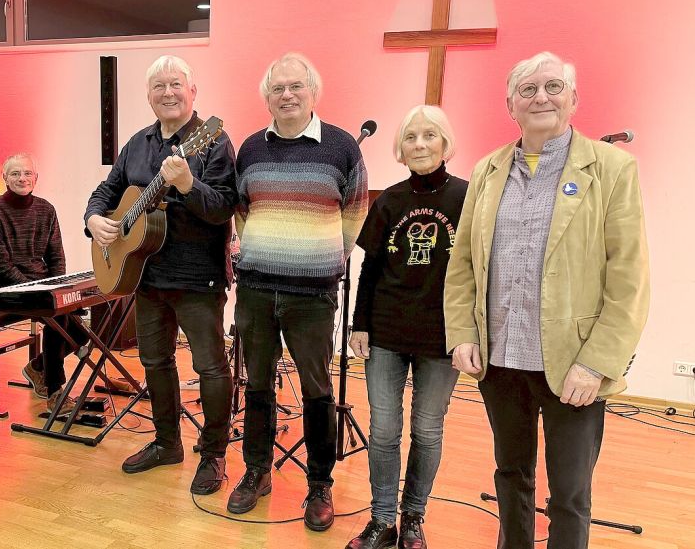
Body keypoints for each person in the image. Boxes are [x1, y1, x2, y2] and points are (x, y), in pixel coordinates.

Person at [444, 51, 650, 549]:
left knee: (569, 495)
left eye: (554, 87)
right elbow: (463, 266)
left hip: (573, 365)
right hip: (501, 359)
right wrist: (463, 333)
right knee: (511, 477)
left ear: (574, 99)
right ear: (510, 104)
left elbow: (629, 278)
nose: (541, 97)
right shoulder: (488, 170)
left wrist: (598, 363)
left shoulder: (612, 169)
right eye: (528, 89)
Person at [84, 55, 237, 495]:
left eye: (176, 85)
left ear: (193, 92)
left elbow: (223, 207)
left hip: (197, 277)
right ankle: (167, 443)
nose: (167, 93)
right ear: (149, 95)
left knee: (210, 366)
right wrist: (94, 218)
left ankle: (213, 455)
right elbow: (108, 191)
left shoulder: (214, 141)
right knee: (154, 360)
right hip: (145, 273)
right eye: (158, 86)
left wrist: (189, 185)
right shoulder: (137, 142)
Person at [229, 53, 369, 532]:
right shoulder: (249, 149)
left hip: (312, 297)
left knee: (317, 391)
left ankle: (319, 485)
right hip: (254, 292)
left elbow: (354, 214)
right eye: (277, 88)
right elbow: (242, 213)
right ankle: (256, 472)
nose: (286, 95)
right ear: (266, 97)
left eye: (295, 87)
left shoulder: (342, 147)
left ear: (313, 92)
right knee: (259, 386)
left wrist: (324, 258)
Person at [345, 105, 467, 549]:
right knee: (383, 431)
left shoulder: (467, 199)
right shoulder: (389, 201)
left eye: (429, 135)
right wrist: (359, 326)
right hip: (386, 331)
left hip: (442, 336)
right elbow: (370, 269)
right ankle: (382, 520)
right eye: (411, 137)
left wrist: (470, 333)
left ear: (445, 143)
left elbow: (476, 272)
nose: (419, 144)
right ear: (400, 148)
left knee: (428, 430)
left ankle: (413, 517)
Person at [0, 153, 88, 412]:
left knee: (82, 331)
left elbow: (56, 256)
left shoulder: (46, 209)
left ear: (36, 178)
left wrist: (58, 286)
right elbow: (0, 266)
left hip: (42, 285)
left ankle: (38, 367)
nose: (22, 178)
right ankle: (54, 392)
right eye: (15, 174)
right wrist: (40, 291)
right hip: (5, 288)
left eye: (27, 173)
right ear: (4, 178)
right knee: (57, 315)